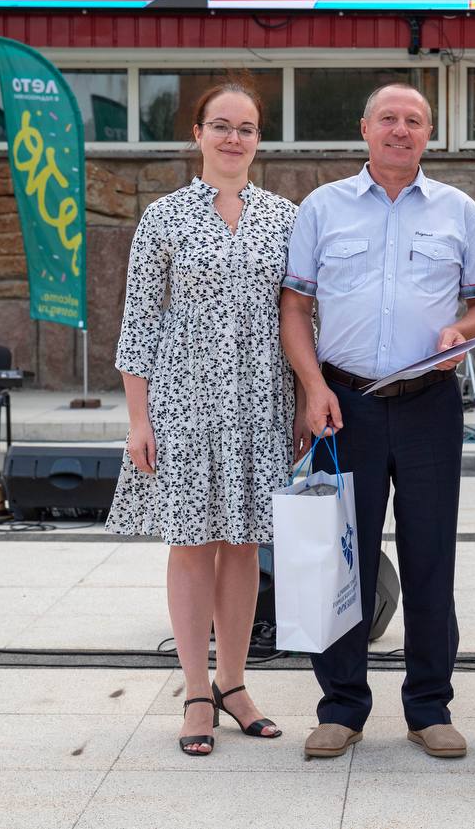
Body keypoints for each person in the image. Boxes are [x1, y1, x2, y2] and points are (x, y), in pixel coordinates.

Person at [281, 83, 475, 761]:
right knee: (341, 556)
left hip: (430, 404)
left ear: (429, 133)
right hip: (343, 405)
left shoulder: (459, 211)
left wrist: (462, 330)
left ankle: (429, 707)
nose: (400, 130)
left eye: (413, 120)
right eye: (388, 119)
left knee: (432, 554)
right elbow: (295, 308)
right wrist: (312, 387)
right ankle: (341, 707)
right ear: (365, 128)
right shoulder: (323, 207)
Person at [108, 80, 298, 755]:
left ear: (259, 139)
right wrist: (139, 420)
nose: (233, 138)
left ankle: (234, 683)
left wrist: (305, 401)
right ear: (198, 133)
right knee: (191, 544)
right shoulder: (164, 216)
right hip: (184, 404)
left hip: (259, 403)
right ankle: (195, 691)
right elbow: (139, 321)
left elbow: (301, 317)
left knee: (244, 545)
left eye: (246, 128)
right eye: (221, 125)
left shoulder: (285, 217)